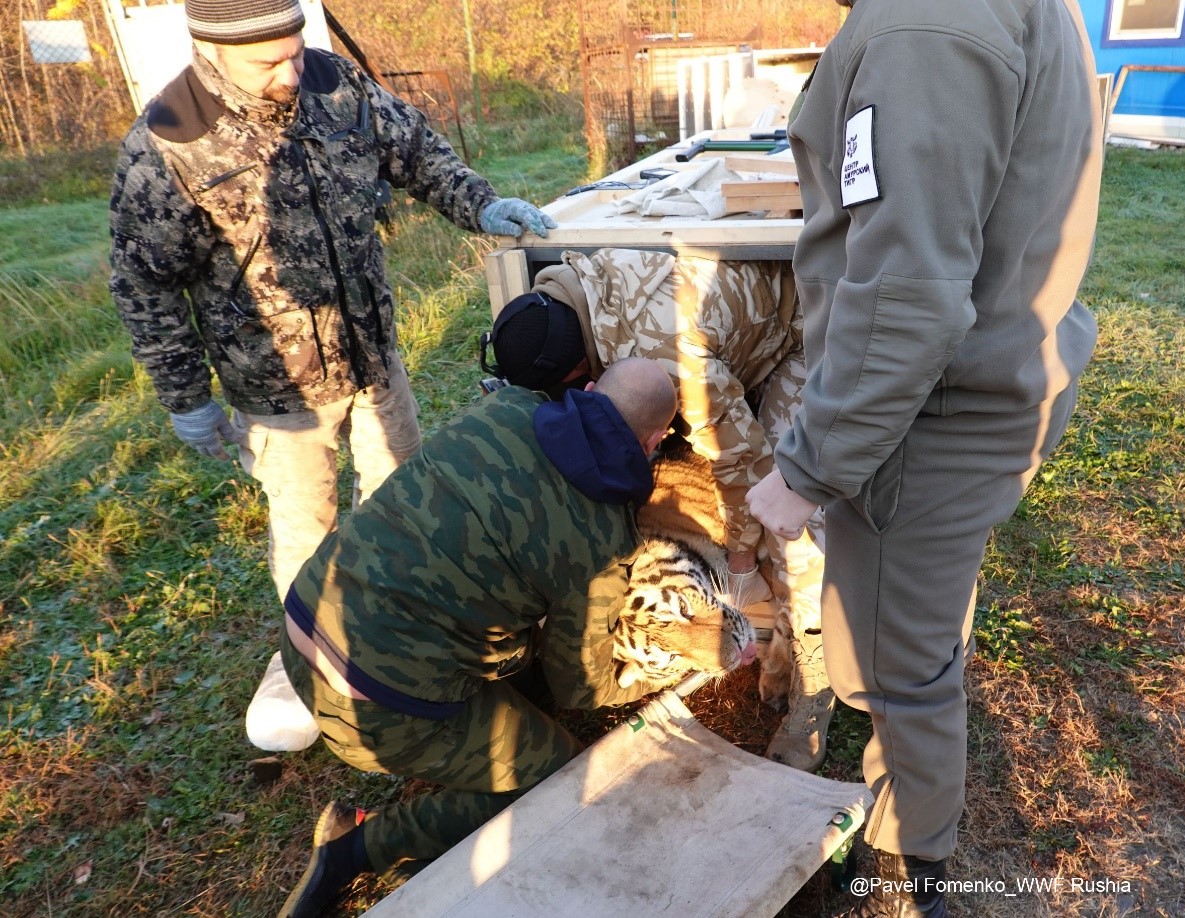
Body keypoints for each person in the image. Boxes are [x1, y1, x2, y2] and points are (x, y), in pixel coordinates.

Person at [746, 0, 1104, 914]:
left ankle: (907, 872)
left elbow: (907, 297)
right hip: (991, 379)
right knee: (922, 635)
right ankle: (905, 839)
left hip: (931, 419)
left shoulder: (925, 24)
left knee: (892, 668)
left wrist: (806, 470)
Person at [108, 0, 556, 606]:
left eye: (294, 51)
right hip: (278, 390)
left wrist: (477, 203)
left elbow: (417, 151)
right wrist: (185, 397)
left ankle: (401, 616)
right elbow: (146, 284)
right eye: (267, 62)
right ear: (211, 51)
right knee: (307, 538)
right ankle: (315, 649)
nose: (290, 74)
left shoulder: (335, 82)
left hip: (373, 356)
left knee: (404, 499)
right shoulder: (169, 140)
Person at [275, 356, 678, 917]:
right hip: (374, 713)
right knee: (555, 775)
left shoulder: (507, 407)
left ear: (588, 389)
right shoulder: (604, 538)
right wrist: (663, 674)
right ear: (654, 440)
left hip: (303, 621)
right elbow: (578, 687)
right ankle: (359, 846)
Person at [483, 248, 833, 770]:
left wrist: (741, 566)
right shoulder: (563, 288)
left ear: (585, 372)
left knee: (788, 509)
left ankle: (814, 681)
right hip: (717, 340)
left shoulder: (673, 361)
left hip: (802, 328)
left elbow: (744, 465)